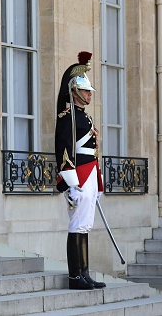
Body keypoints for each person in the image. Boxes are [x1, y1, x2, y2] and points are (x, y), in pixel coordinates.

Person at [55, 51, 105, 290]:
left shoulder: (84, 117)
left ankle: (84, 273)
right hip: (79, 177)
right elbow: (64, 151)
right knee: (77, 225)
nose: (89, 95)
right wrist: (72, 183)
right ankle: (75, 275)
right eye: (85, 91)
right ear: (75, 92)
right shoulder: (69, 117)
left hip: (90, 174)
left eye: (89, 91)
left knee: (85, 225)